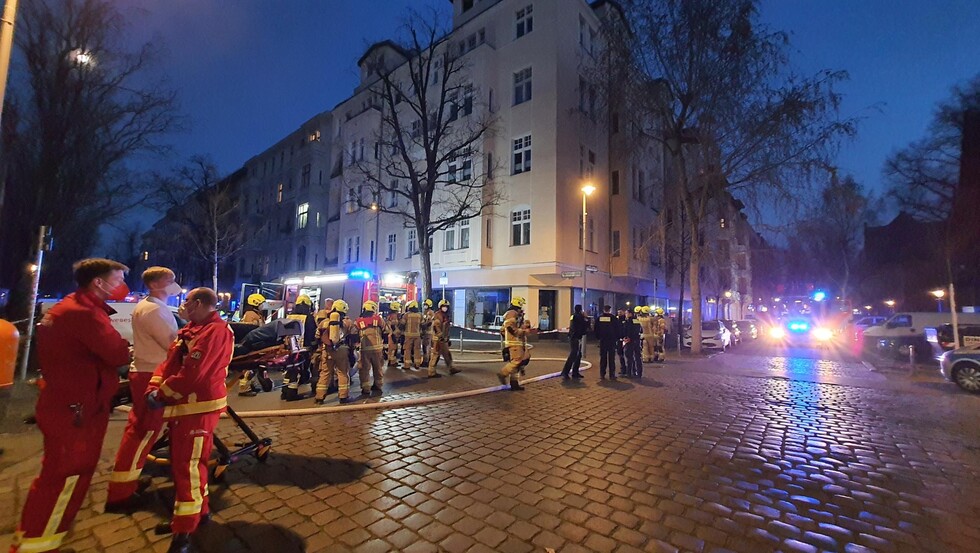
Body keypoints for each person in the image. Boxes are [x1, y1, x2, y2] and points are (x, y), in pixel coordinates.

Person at [11, 258, 132, 553]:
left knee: (58, 474)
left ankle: (42, 536)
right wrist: (124, 348)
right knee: (67, 474)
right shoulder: (85, 314)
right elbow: (116, 353)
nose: (121, 287)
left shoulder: (68, 307)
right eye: (117, 280)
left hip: (66, 401)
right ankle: (38, 543)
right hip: (78, 408)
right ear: (98, 282)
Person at [145, 288, 234, 553]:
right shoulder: (194, 329)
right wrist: (156, 386)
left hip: (197, 405)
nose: (183, 305)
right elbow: (171, 363)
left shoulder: (214, 332)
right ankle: (199, 512)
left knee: (188, 466)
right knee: (189, 464)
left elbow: (195, 373)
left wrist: (163, 394)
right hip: (186, 405)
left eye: (186, 301)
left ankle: (183, 528)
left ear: (198, 303)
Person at [105, 267, 182, 513]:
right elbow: (173, 345)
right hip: (152, 373)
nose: (175, 284)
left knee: (141, 427)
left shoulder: (151, 306)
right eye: (170, 280)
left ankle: (128, 480)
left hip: (148, 370)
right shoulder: (153, 310)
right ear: (158, 283)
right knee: (144, 430)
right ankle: (121, 493)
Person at [313, 300, 357, 405]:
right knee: (342, 373)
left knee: (325, 373)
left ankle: (319, 397)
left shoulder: (324, 322)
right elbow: (353, 337)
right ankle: (343, 396)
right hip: (342, 350)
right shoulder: (348, 323)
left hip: (327, 350)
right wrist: (351, 352)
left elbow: (317, 337)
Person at [282, 295, 318, 401]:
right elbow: (312, 333)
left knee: (290, 369)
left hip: (289, 348)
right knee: (298, 370)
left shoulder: (289, 316)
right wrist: (314, 345)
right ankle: (291, 394)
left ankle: (284, 392)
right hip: (302, 348)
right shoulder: (309, 317)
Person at [355, 301, 388, 396]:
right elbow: (386, 332)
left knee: (364, 369)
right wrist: (385, 347)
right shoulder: (379, 320)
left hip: (364, 349)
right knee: (378, 368)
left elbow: (353, 333)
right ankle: (378, 385)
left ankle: (365, 388)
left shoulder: (358, 321)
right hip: (377, 348)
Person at [498, 297, 530, 390]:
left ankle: (514, 383)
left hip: (516, 342)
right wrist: (521, 331)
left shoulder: (513, 314)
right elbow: (510, 327)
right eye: (521, 304)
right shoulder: (512, 313)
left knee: (519, 362)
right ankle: (503, 373)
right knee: (517, 361)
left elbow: (503, 330)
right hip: (515, 342)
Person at [428, 299, 460, 378]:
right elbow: (436, 327)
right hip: (438, 339)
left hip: (443, 339)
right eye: (443, 306)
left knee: (447, 354)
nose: (445, 308)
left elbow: (446, 329)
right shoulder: (437, 315)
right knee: (436, 355)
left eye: (446, 307)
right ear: (440, 307)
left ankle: (451, 368)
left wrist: (447, 339)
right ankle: (431, 372)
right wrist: (440, 337)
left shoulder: (446, 316)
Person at [561, 304, 589, 380]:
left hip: (573, 337)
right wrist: (586, 318)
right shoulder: (579, 317)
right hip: (576, 338)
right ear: (580, 310)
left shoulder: (573, 316)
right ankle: (565, 372)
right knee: (573, 355)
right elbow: (585, 326)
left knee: (578, 355)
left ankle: (575, 372)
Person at [594, 305, 620, 380]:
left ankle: (602, 374)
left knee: (603, 358)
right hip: (611, 341)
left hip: (603, 340)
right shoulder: (613, 318)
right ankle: (612, 374)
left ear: (603, 310)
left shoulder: (599, 318)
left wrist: (598, 337)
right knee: (611, 358)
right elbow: (617, 329)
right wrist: (616, 338)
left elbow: (596, 329)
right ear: (610, 310)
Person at [402, 301, 423, 371]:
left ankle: (407, 365)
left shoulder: (406, 315)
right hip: (417, 335)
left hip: (408, 335)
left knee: (407, 350)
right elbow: (423, 325)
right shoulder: (420, 315)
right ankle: (417, 364)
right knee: (417, 350)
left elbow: (402, 324)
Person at [625, 307, 644, 377]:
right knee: (638, 357)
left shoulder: (628, 321)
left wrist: (627, 337)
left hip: (630, 340)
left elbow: (627, 331)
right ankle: (639, 372)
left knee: (629, 357)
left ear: (630, 314)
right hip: (637, 340)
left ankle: (629, 373)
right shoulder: (637, 321)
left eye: (626, 313)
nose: (626, 315)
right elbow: (640, 330)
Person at [385, 301, 404, 368]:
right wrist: (394, 333)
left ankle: (392, 361)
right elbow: (393, 325)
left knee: (392, 348)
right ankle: (392, 362)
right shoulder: (393, 316)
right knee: (393, 348)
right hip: (392, 334)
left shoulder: (390, 315)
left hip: (391, 334)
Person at [420, 299, 434, 366]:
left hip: (428, 332)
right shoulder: (426, 312)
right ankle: (427, 360)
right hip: (426, 332)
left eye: (426, 305)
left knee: (426, 347)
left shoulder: (430, 312)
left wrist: (423, 326)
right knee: (425, 347)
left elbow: (429, 322)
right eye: (424, 305)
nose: (425, 306)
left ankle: (426, 361)